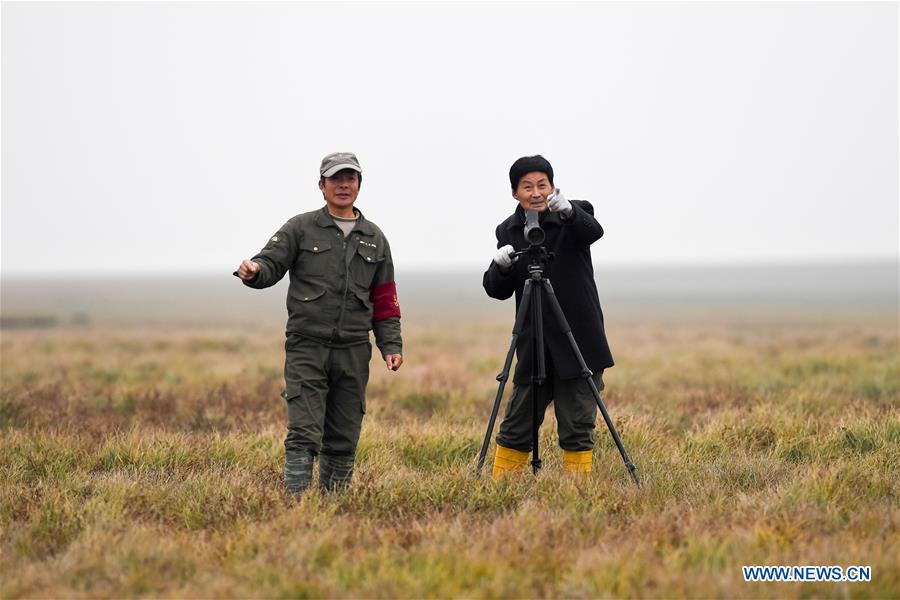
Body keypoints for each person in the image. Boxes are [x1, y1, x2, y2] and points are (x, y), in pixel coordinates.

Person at [236, 152, 403, 493]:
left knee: (344, 433)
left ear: (359, 184)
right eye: (335, 179)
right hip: (307, 345)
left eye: (350, 178)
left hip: (354, 349)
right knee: (304, 430)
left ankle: (333, 506)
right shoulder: (300, 227)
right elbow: (269, 264)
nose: (344, 185)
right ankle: (296, 507)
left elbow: (385, 299)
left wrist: (391, 345)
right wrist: (253, 271)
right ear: (321, 185)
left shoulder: (375, 237)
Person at [483, 155, 613, 478]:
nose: (536, 192)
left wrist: (568, 211)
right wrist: (499, 266)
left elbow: (593, 232)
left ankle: (576, 493)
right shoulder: (509, 230)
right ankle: (502, 488)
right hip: (534, 343)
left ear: (553, 187)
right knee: (516, 424)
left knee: (577, 424)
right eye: (527, 186)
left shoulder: (576, 213)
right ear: (515, 193)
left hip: (578, 341)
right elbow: (496, 290)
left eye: (543, 184)